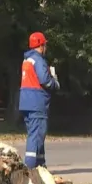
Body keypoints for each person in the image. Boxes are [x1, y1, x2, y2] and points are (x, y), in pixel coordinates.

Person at [18, 32, 60, 169]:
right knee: (36, 137)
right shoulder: (39, 60)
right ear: (41, 46)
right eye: (45, 45)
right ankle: (30, 170)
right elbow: (45, 80)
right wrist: (55, 82)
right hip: (37, 103)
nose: (45, 48)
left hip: (26, 103)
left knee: (37, 135)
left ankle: (41, 166)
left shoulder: (27, 60)